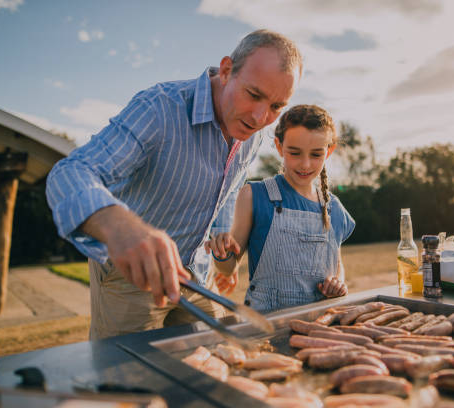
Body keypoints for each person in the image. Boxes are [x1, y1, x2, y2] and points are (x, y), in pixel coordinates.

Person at [46, 29, 303, 339]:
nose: (261, 116)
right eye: (254, 94)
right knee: (130, 382)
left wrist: (221, 234)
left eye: (277, 106)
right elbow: (71, 172)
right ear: (226, 71)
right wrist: (119, 226)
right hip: (132, 279)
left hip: (198, 275)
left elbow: (229, 187)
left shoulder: (254, 133)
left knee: (219, 362)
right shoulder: (159, 108)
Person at [204, 104, 355, 313]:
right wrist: (221, 253)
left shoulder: (334, 208)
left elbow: (337, 265)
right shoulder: (253, 195)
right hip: (267, 322)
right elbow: (228, 268)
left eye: (316, 155)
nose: (305, 164)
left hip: (321, 323)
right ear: (279, 146)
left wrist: (338, 283)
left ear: (329, 151)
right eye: (294, 153)